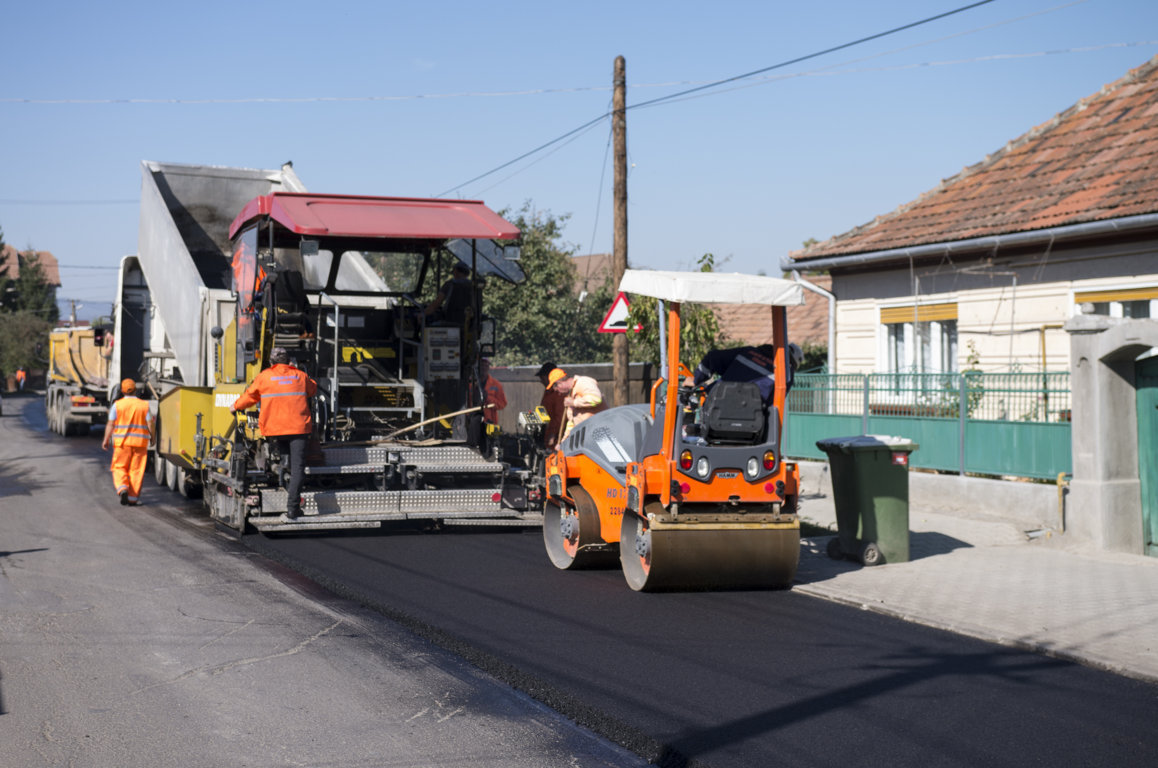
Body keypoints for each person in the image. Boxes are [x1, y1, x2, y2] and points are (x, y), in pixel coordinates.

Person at [230, 347, 317, 521]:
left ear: (271, 362)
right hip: (298, 429)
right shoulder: (300, 375)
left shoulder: (264, 377)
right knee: (298, 467)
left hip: (275, 430)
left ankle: (283, 467)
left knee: (286, 459)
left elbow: (250, 396)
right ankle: (293, 508)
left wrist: (236, 406)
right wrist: (294, 370)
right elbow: (312, 390)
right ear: (288, 361)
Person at [692, 343, 801, 405]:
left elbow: (713, 357)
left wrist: (695, 380)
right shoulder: (786, 374)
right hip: (751, 427)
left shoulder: (748, 352)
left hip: (714, 408)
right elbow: (773, 404)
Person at [101, 378, 154, 506]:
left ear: (122, 391)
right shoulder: (144, 405)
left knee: (119, 467)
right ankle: (132, 498)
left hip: (122, 443)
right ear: (135, 390)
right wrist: (153, 437)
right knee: (137, 470)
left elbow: (110, 424)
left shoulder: (117, 405)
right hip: (140, 443)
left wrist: (106, 439)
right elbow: (150, 423)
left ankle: (122, 487)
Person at [547, 368, 606, 441]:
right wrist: (563, 442)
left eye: (556, 388)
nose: (558, 392)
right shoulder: (570, 395)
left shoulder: (583, 382)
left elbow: (596, 399)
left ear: (559, 382)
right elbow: (571, 422)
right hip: (587, 437)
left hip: (601, 432)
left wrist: (574, 403)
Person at [536, 361, 566, 451]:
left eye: (542, 377)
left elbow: (560, 417)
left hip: (557, 437)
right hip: (547, 433)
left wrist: (553, 434)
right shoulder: (548, 392)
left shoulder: (559, 394)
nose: (541, 381)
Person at [478, 358, 507, 426]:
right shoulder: (470, 384)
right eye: (482, 365)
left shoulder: (496, 385)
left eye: (486, 365)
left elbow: (502, 404)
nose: (484, 368)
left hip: (490, 422)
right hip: (472, 420)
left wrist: (488, 398)